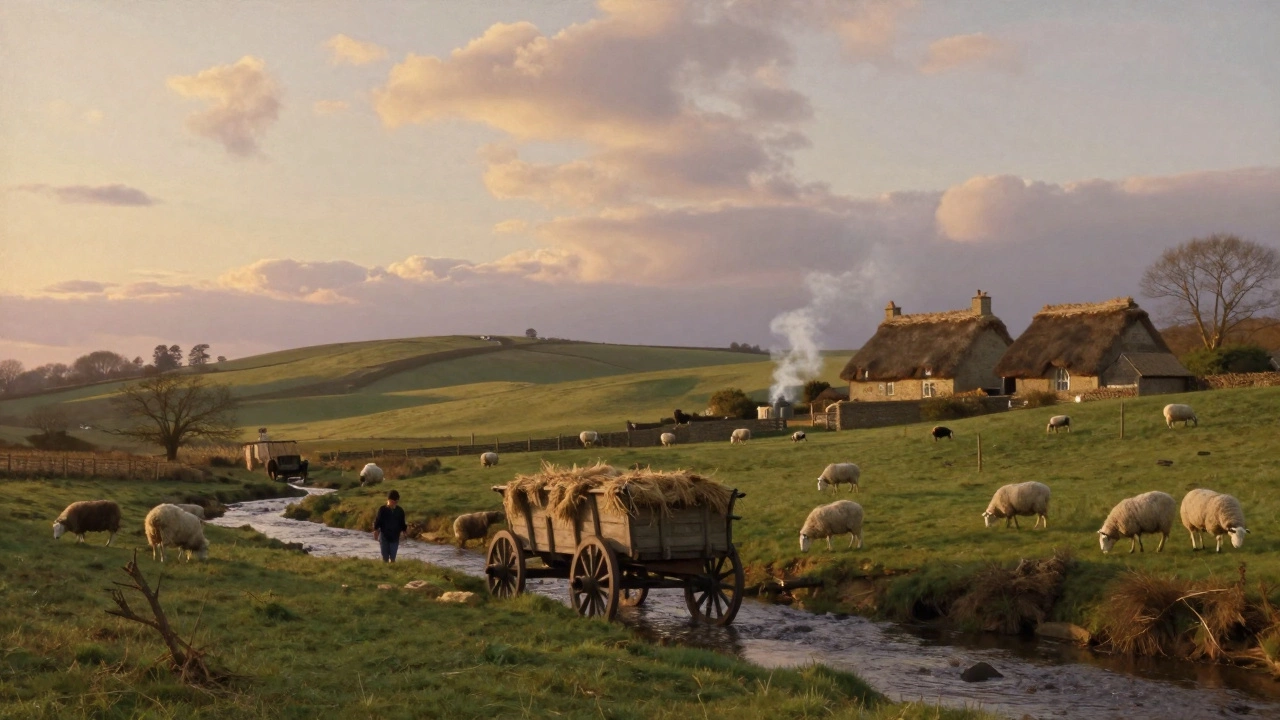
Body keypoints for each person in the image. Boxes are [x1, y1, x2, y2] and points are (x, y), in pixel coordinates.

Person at [372, 490, 407, 563]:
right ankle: (386, 571)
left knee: (393, 557)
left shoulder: (400, 511)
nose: (394, 503)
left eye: (396, 501)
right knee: (385, 557)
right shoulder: (382, 510)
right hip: (384, 536)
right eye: (393, 501)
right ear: (388, 500)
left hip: (395, 537)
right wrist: (375, 531)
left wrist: (404, 531)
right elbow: (378, 521)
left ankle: (392, 569)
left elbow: (402, 522)